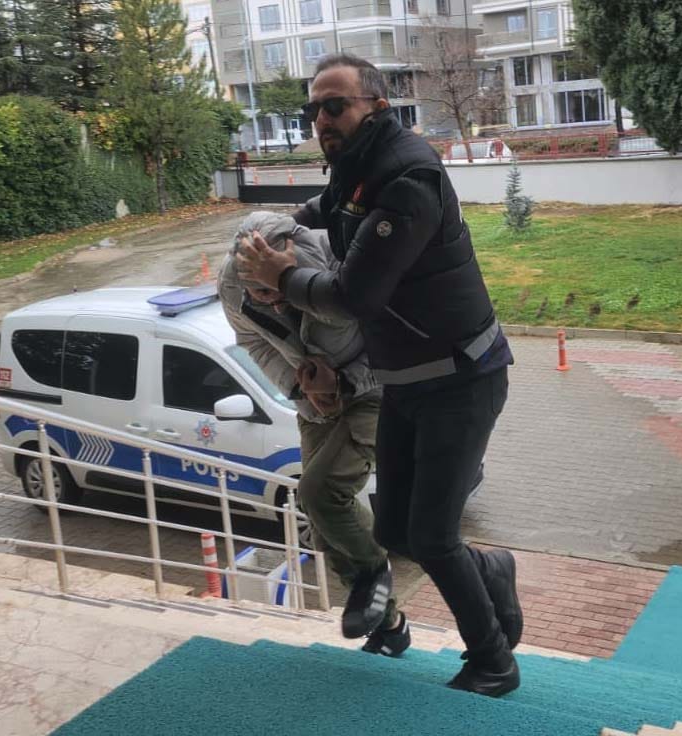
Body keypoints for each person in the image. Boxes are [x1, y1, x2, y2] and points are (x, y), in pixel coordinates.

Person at [236, 54, 523, 697]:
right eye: (313, 108)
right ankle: (492, 568)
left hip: (462, 378)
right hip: (406, 381)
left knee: (433, 537)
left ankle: (493, 663)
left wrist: (283, 275)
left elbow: (354, 296)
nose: (320, 118)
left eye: (334, 105)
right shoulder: (356, 168)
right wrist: (278, 232)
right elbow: (326, 208)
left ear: (377, 107)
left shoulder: (408, 177)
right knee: (393, 530)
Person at [218, 210, 411, 657]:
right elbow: (253, 341)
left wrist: (344, 382)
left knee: (320, 492)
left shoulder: (343, 266)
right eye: (258, 294)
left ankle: (375, 571)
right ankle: (389, 624)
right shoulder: (232, 287)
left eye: (277, 289)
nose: (272, 304)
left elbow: (394, 336)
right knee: (320, 517)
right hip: (312, 399)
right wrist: (300, 385)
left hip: (377, 389)